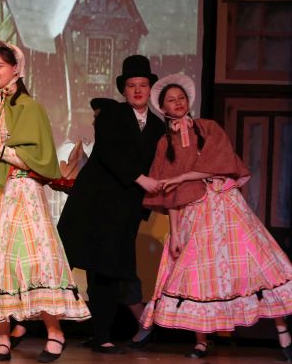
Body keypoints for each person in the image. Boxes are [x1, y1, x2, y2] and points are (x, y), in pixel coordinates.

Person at [0, 39, 90, 362]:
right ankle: (3, 340)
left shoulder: (29, 107)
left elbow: (36, 159)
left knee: (36, 262)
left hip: (22, 192)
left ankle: (55, 332)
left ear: (15, 69)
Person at [138, 73, 292, 360]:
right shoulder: (164, 143)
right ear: (163, 107)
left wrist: (183, 176)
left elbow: (219, 164)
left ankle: (283, 332)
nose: (177, 103)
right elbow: (171, 194)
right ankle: (201, 340)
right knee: (200, 275)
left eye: (181, 98)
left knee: (255, 263)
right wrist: (176, 233)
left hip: (225, 206)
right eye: (171, 100)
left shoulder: (208, 128)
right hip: (193, 214)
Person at [57, 55, 164, 353]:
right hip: (94, 204)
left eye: (142, 85)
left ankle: (101, 333)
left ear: (150, 89)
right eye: (132, 85)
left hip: (124, 209)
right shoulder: (112, 115)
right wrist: (141, 179)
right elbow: (109, 152)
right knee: (76, 264)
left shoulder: (158, 127)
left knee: (108, 270)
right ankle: (37, 325)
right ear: (124, 89)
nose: (137, 90)